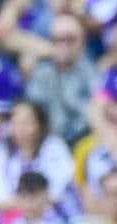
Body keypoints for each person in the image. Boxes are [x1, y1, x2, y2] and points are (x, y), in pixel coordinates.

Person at [23, 12, 95, 145]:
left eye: (70, 39)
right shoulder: (42, 73)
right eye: (57, 40)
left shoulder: (92, 74)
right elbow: (34, 113)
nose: (63, 45)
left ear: (83, 42)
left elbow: (95, 117)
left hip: (83, 143)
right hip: (49, 147)